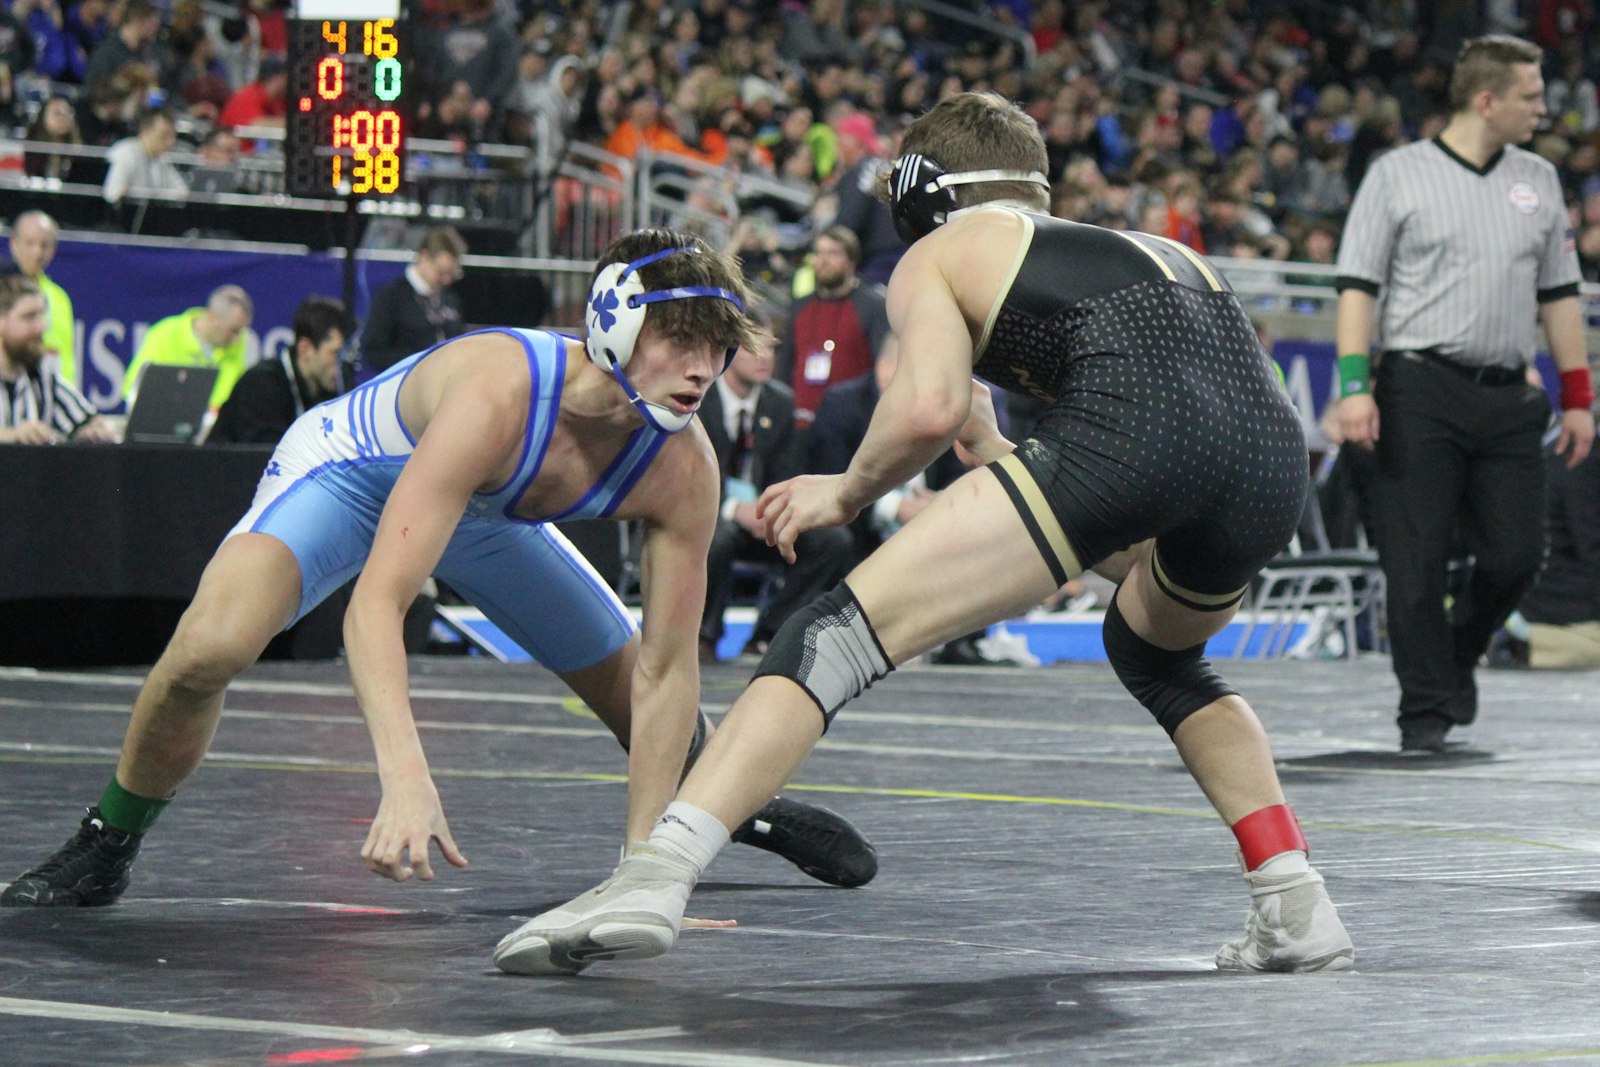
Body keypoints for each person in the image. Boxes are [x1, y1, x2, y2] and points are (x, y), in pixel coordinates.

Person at [492, 92, 1354, 977]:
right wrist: (996, 451)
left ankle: (654, 873)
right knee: (1160, 655)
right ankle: (1294, 899)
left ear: (918, 194)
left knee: (832, 635)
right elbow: (1127, 523)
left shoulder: (944, 251)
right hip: (1267, 455)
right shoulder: (1145, 250)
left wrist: (846, 489)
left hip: (1132, 431)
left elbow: (930, 406)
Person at [2, 229, 875, 910]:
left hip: (486, 514)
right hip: (352, 476)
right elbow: (375, 606)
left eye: (717, 348)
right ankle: (107, 838)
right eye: (680, 338)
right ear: (611, 321)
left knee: (652, 706)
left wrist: (646, 871)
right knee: (208, 647)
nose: (701, 369)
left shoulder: (682, 463)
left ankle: (719, 806)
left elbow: (667, 667)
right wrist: (405, 776)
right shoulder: (501, 391)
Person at [1331, 35, 1595, 754]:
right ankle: (1426, 711)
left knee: (1516, 557)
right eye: (1530, 97)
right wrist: (1355, 386)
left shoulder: (1539, 178)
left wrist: (1579, 397)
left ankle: (1455, 652)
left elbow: (1561, 295)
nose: (1545, 108)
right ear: (1487, 100)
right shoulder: (1396, 175)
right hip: (1419, 386)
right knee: (1413, 560)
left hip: (1510, 395)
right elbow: (1359, 286)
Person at [699, 317, 853, 662]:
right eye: (754, 347)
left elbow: (787, 471)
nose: (765, 356)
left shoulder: (780, 403)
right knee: (716, 536)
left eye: (771, 346)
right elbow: (684, 473)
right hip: (709, 511)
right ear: (727, 350)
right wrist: (730, 507)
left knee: (831, 541)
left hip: (762, 514)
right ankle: (704, 636)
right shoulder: (700, 396)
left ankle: (770, 633)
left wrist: (772, 508)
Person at [1488, 404, 1600, 670]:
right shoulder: (1584, 458)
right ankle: (1527, 643)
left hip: (1551, 590)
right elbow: (1591, 544)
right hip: (1561, 600)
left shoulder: (1561, 448)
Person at [776, 225, 889, 429]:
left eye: (833, 253)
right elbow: (785, 363)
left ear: (851, 261)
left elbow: (880, 367)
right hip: (799, 423)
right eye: (818, 253)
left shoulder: (872, 306)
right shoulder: (800, 306)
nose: (823, 261)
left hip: (851, 426)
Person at [207, 296, 350, 445]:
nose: (342, 365)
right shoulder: (261, 384)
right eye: (336, 353)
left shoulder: (332, 391)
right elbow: (264, 457)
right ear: (305, 348)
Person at [0, 274, 115, 444]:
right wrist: (12, 436)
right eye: (29, 317)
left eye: (42, 315)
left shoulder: (41, 378)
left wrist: (92, 431)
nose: (41, 327)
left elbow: (87, 419)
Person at [123, 284, 254, 411]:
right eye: (234, 330)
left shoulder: (238, 343)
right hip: (164, 427)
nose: (237, 339)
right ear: (212, 316)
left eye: (241, 331)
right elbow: (134, 390)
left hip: (218, 430)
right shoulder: (164, 334)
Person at [359, 227, 467, 373]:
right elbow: (372, 351)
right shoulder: (391, 297)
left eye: (451, 274)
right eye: (441, 272)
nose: (447, 280)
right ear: (424, 256)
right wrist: (417, 362)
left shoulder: (450, 299)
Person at [5, 211, 77, 388]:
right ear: (14, 244)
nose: (37, 252)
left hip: (53, 394)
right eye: (29, 243)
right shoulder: (3, 291)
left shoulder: (60, 297)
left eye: (44, 245)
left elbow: (66, 356)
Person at [102, 107, 188, 206]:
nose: (171, 142)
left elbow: (182, 192)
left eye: (173, 136)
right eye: (164, 135)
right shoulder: (125, 152)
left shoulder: (162, 158)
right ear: (145, 131)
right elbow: (113, 194)